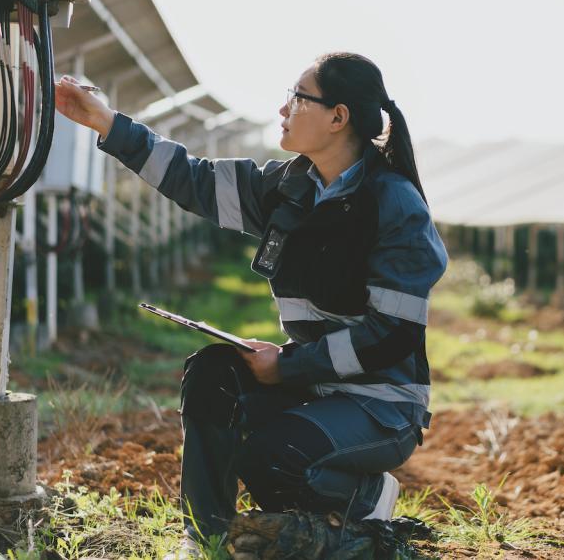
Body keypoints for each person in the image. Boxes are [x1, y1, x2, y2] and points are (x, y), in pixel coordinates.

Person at [55, 52, 447, 550]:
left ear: (338, 117)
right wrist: (106, 122)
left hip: (381, 405)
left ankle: (365, 497)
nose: (283, 110)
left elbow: (392, 337)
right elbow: (191, 178)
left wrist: (289, 366)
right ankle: (207, 538)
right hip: (317, 384)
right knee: (213, 374)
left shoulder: (394, 205)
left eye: (296, 98)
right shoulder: (287, 189)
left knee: (269, 459)